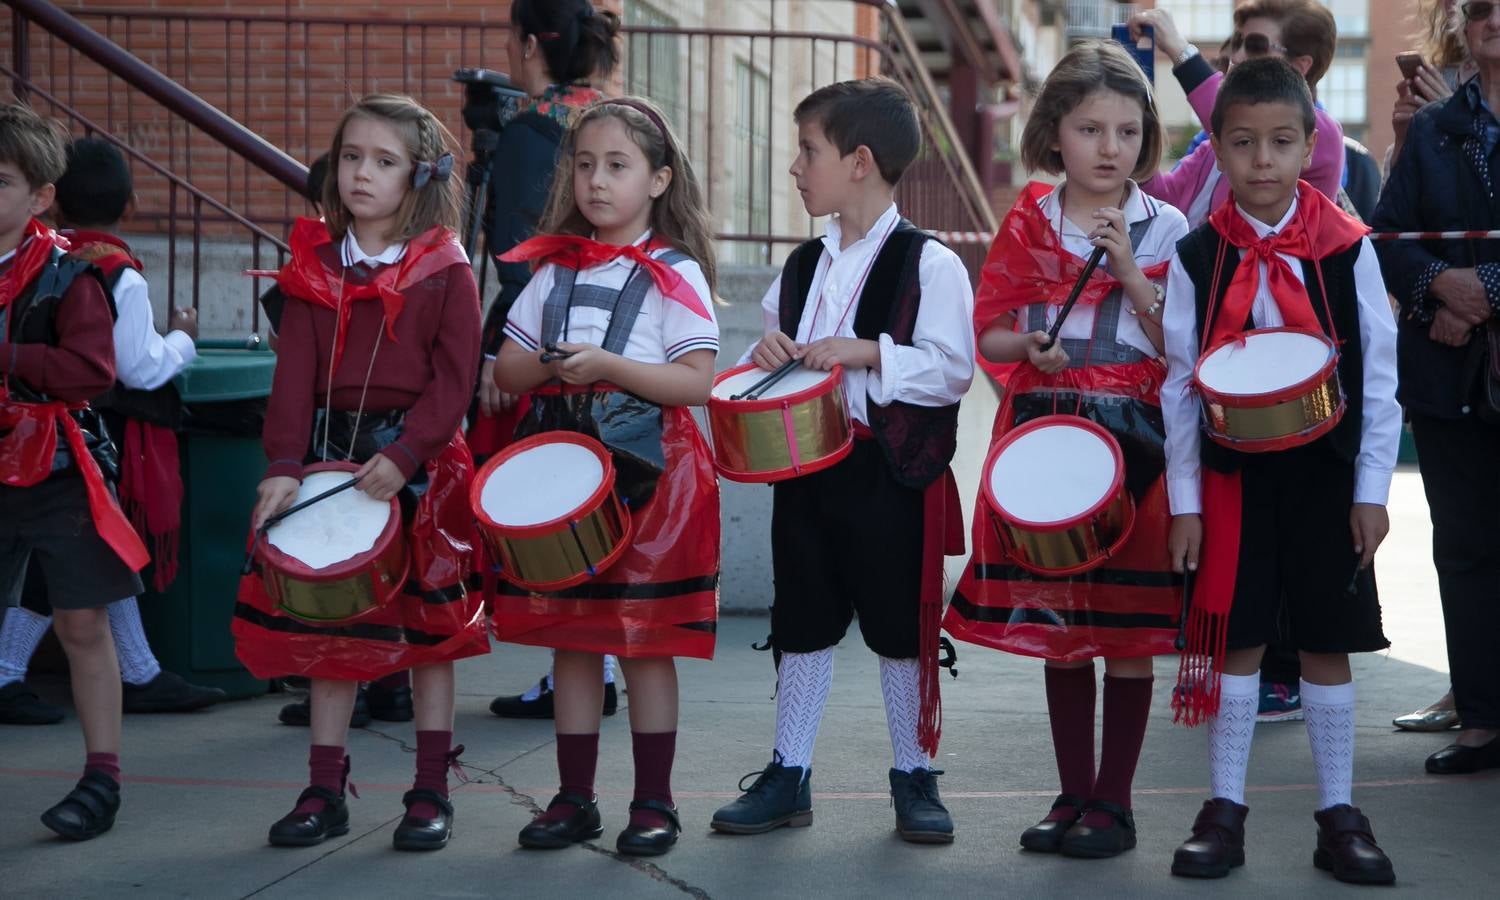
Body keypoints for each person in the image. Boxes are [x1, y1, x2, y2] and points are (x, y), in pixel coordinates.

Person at [709, 78, 974, 845]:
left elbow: (951, 369)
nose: (795, 168)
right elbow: (782, 354)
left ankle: (914, 773)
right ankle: (788, 771)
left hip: (890, 470)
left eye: (807, 151)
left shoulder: (931, 264)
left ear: (859, 161)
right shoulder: (801, 267)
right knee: (802, 621)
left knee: (899, 628)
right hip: (808, 471)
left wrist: (868, 352)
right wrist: (772, 353)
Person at [943, 41, 1188, 860]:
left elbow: (1179, 341)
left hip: (1136, 441)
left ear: (1144, 140)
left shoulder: (1169, 225)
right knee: (1060, 622)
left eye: (1125, 131)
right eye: (1090, 128)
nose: (1109, 147)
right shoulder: (1029, 221)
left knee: (1122, 625)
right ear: (1056, 133)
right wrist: (1029, 344)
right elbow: (993, 330)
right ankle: (1071, 792)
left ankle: (1113, 803)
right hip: (1047, 430)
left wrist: (1129, 269)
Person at [1161, 58, 1399, 885]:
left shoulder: (1347, 248)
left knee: (1329, 643)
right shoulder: (1196, 258)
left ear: (1309, 148)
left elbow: (1379, 380)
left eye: (1281, 142)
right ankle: (1224, 811)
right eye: (1243, 143)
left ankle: (1340, 815)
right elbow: (1178, 385)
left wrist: (1372, 492)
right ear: (1218, 152)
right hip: (1232, 480)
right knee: (1240, 637)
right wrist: (1184, 502)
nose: (1263, 160)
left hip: (1327, 477)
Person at [232, 94, 487, 851]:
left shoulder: (446, 266)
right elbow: (294, 377)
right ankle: (323, 786)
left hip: (421, 468)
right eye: (351, 158)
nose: (361, 174)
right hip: (330, 461)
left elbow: (454, 378)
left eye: (382, 161)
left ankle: (431, 788)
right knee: (331, 628)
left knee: (431, 635)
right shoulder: (313, 264)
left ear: (418, 174)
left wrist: (405, 454)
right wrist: (283, 465)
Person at [492, 96, 720, 858]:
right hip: (563, 459)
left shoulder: (675, 272)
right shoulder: (552, 267)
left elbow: (696, 381)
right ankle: (574, 798)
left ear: (657, 180)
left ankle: (654, 802)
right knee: (574, 639)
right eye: (584, 165)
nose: (597, 181)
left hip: (649, 469)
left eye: (617, 166)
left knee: (648, 641)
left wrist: (611, 367)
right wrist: (555, 365)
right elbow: (509, 368)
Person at [0, 138, 224, 724]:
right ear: (129, 205)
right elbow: (135, 366)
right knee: (89, 557)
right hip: (86, 431)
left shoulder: (41, 256)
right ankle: (22, 674)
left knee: (96, 560)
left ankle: (138, 670)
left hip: (39, 429)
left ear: (49, 200)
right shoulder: (112, 271)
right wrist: (183, 339)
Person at [0, 103, 152, 839]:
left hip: (57, 467)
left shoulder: (71, 276)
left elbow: (91, 373)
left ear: (39, 196)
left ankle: (103, 779)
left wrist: (9, 360)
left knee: (82, 622)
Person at [472, 0, 622, 721]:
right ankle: (606, 667)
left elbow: (516, 256)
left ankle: (580, 673)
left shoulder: (531, 130)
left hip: (557, 348)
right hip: (628, 339)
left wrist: (507, 349)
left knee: (558, 509)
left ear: (530, 44)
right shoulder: (626, 122)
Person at [1371, 0, 1500, 772]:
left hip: (1465, 344)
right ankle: (1480, 721)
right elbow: (1386, 239)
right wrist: (1437, 289)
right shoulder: (1434, 127)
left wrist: (1478, 288)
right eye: (1482, 6)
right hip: (1451, 384)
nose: (1495, 17)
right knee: (1465, 550)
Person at [1128, 1, 1345, 227]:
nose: (1237, 56)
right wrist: (1128, 133)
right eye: (1237, 42)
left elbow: (1230, 111)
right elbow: (1165, 198)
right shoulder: (1218, 141)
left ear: (1300, 66)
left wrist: (1179, 49)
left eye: (1255, 45)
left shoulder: (1325, 134)